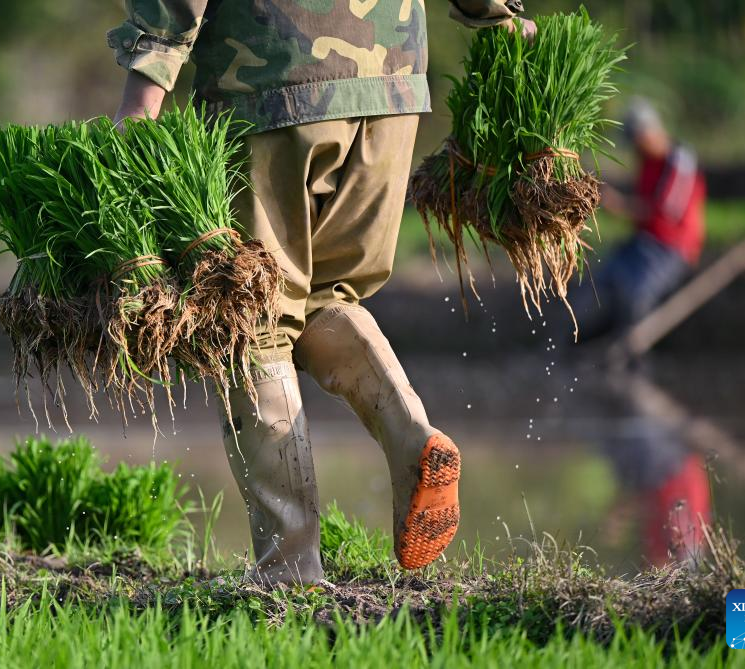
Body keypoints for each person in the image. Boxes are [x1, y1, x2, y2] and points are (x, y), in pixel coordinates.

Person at [108, 0, 536, 586]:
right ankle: (414, 439)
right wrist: (496, 14)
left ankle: (289, 571)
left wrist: (145, 85)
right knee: (324, 295)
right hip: (392, 85)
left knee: (250, 317)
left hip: (269, 75)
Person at [574, 98, 707, 343]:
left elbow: (667, 210)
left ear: (649, 133)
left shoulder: (679, 162)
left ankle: (631, 353)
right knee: (601, 278)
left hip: (671, 248)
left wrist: (621, 206)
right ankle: (589, 343)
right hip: (643, 242)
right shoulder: (647, 162)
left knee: (636, 292)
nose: (636, 149)